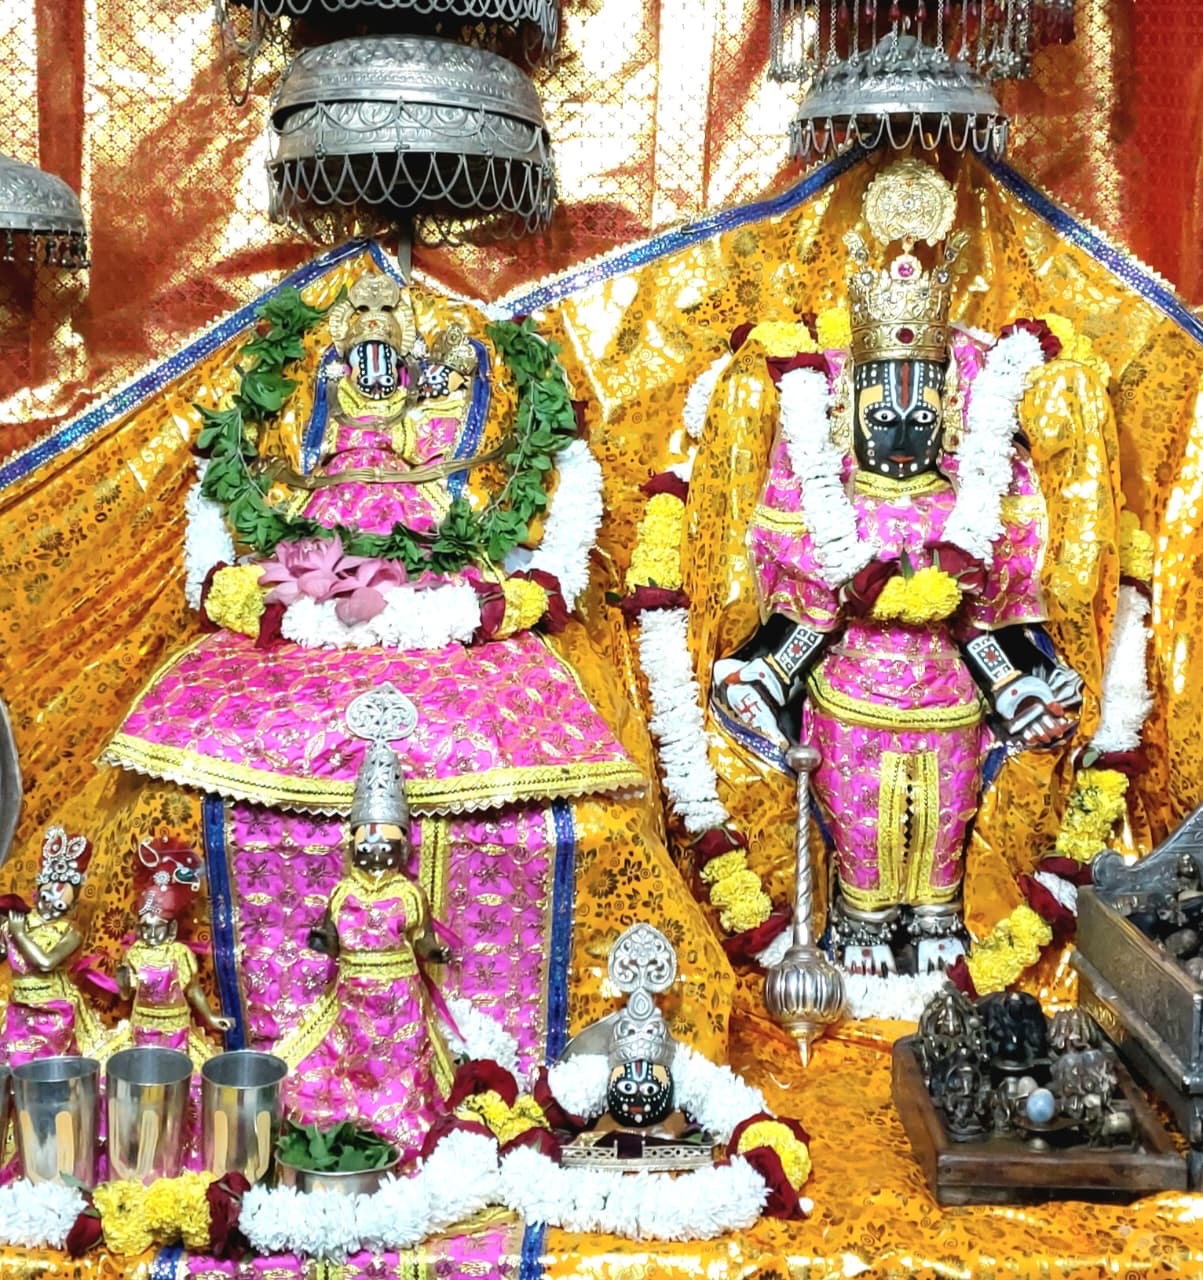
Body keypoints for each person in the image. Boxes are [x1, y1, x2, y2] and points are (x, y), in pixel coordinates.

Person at [710, 159, 1082, 977]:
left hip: (948, 692)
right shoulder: (827, 501)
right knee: (862, 814)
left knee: (944, 811)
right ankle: (861, 921)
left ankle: (939, 916)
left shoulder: (968, 500)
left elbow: (981, 619)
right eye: (882, 415)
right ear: (847, 415)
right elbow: (811, 611)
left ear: (949, 415)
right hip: (851, 687)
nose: (903, 430)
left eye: (921, 413)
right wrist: (763, 675)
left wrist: (1015, 687)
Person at [275, 730, 453, 1160]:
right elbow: (330, 936)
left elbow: (422, 939)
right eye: (366, 840)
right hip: (353, 995)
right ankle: (354, 1124)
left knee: (402, 1063)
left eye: (384, 840)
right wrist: (322, 942)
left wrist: (436, 954)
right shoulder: (343, 892)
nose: (375, 847)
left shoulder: (409, 893)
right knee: (352, 1062)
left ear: (401, 847)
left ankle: (401, 1125)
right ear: (353, 845)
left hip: (399, 998)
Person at [104, 836, 232, 1066]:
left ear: (171, 929)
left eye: (158, 929)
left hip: (176, 1025)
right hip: (144, 1023)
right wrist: (122, 978)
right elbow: (125, 994)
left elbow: (193, 990)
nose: (151, 935)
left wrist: (210, 1017)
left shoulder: (179, 953)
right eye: (146, 929)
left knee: (177, 1068)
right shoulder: (135, 953)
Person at [0, 826, 102, 1064]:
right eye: (45, 899)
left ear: (72, 908)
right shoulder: (19, 920)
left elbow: (46, 963)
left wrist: (19, 935)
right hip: (19, 1007)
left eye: (59, 907)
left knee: (50, 1065)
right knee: (12, 1060)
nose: (49, 909)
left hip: (54, 1010)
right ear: (36, 892)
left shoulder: (70, 933)